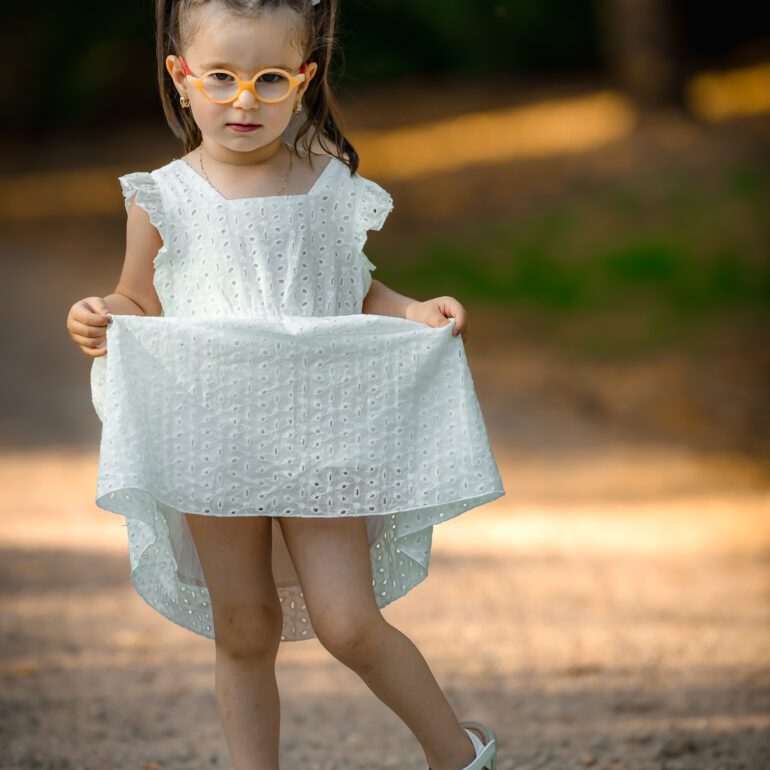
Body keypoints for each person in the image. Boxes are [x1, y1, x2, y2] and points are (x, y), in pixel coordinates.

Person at [66, 1, 504, 769]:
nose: (244, 100)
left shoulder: (327, 184)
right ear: (182, 77)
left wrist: (413, 311)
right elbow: (139, 299)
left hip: (319, 430)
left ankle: (459, 755)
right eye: (223, 78)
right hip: (210, 425)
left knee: (348, 621)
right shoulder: (162, 195)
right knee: (243, 623)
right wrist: (104, 313)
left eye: (269, 79)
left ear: (302, 81)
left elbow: (356, 290)